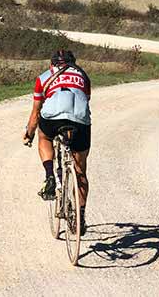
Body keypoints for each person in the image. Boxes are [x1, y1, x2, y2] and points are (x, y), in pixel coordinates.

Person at [23, 49, 91, 236]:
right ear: (73, 62)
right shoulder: (83, 75)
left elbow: (36, 113)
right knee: (80, 171)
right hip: (79, 120)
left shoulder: (44, 77)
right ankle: (81, 217)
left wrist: (29, 134)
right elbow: (86, 99)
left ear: (52, 64)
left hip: (52, 119)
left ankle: (50, 176)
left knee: (44, 137)